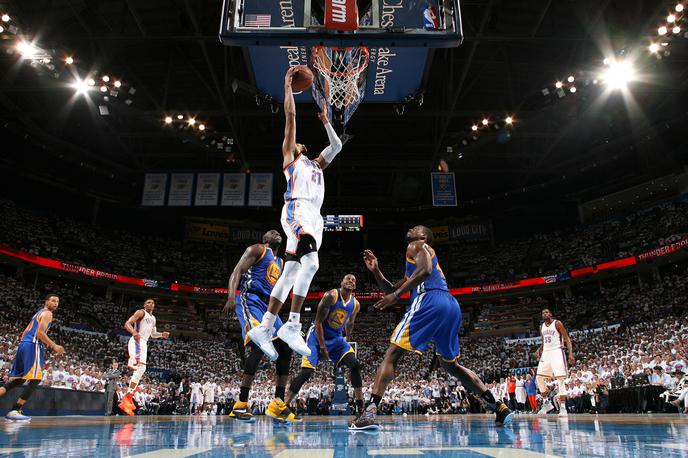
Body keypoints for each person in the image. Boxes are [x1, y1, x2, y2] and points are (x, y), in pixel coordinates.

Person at [349, 226, 513, 430]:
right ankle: (498, 406)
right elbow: (392, 288)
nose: (410, 228)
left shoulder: (417, 245)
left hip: (429, 300)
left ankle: (370, 412)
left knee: (392, 354)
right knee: (451, 365)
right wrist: (376, 271)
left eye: (416, 228)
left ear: (424, 237)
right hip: (450, 306)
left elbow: (423, 273)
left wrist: (397, 296)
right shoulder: (416, 261)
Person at [247, 66, 343, 360]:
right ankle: (291, 324)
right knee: (311, 263)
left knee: (291, 271)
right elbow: (290, 117)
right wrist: (287, 85)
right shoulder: (291, 157)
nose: (301, 142)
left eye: (302, 142)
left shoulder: (316, 164)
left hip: (315, 217)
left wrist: (327, 121)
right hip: (297, 209)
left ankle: (264, 327)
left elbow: (337, 145)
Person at [222, 230, 300, 423]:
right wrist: (231, 296)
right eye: (271, 232)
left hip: (269, 307)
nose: (276, 231)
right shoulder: (257, 249)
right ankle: (241, 404)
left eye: (277, 230)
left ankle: (278, 403)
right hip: (251, 300)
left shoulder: (281, 262)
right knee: (258, 345)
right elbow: (237, 271)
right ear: (265, 240)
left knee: (285, 348)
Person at [284, 274, 365, 415]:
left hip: (337, 339)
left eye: (353, 280)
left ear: (355, 286)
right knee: (306, 372)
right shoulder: (331, 296)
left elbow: (350, 323)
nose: (350, 281)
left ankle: (360, 407)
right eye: (347, 279)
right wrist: (322, 346)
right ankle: (284, 406)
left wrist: (347, 339)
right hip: (316, 336)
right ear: (341, 282)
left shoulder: (355, 305)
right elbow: (318, 322)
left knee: (355, 364)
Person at [0, 294, 65, 421]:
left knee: (19, 380)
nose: (55, 303)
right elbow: (40, 333)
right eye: (53, 300)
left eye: (57, 301)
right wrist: (54, 346)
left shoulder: (38, 313)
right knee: (36, 379)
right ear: (46, 302)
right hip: (33, 345)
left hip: (24, 345)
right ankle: (15, 410)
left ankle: (15, 410)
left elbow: (24, 332)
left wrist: (25, 345)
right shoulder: (47, 314)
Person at [118, 299, 169, 416]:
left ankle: (128, 397)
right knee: (138, 367)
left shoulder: (154, 318)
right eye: (148, 302)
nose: (151, 304)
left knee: (142, 369)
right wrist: (134, 332)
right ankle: (127, 396)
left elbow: (153, 334)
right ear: (144, 305)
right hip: (137, 340)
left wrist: (162, 335)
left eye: (153, 303)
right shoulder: (141, 312)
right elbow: (127, 323)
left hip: (144, 343)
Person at [535, 308, 574, 417]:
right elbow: (544, 342)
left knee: (560, 379)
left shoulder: (557, 323)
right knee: (538, 378)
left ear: (551, 314)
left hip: (557, 351)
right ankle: (547, 403)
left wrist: (570, 354)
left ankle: (562, 407)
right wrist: (539, 349)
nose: (544, 314)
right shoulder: (541, 326)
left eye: (547, 312)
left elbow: (567, 339)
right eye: (542, 312)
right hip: (546, 353)